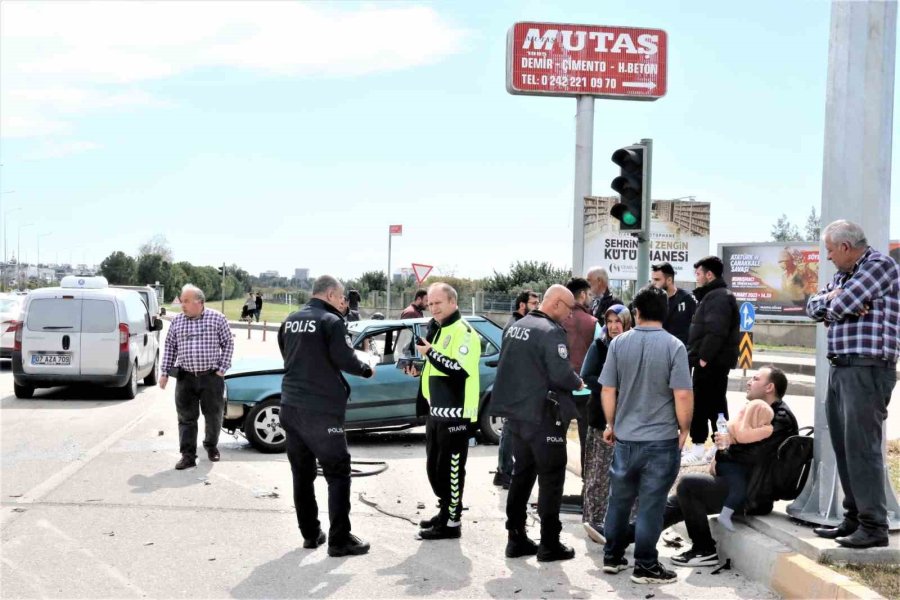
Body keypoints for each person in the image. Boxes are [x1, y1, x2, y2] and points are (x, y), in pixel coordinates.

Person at [806, 220, 899, 549]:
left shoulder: (879, 265)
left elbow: (839, 305)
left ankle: (874, 525)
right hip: (841, 367)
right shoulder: (844, 275)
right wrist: (835, 299)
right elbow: (812, 307)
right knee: (845, 448)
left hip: (867, 368)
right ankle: (854, 518)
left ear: (845, 247)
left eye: (830, 250)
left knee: (863, 449)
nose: (828, 257)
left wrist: (835, 302)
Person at [653, 366, 797, 567]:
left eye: (755, 378)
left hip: (751, 494)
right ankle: (620, 535)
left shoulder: (780, 418)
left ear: (769, 387)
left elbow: (752, 455)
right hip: (738, 483)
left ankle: (704, 549)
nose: (749, 382)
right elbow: (735, 450)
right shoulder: (759, 413)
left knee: (688, 484)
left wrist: (727, 447)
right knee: (675, 502)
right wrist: (726, 447)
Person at [600, 286, 693, 584]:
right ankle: (646, 566)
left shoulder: (618, 344)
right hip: (661, 440)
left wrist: (611, 424)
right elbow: (681, 394)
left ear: (636, 312)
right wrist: (685, 429)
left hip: (626, 439)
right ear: (665, 312)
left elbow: (608, 389)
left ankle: (613, 557)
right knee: (652, 504)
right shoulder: (675, 346)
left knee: (619, 500)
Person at [277, 275, 375, 557]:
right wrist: (367, 369)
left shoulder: (291, 319)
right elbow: (345, 359)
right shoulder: (331, 322)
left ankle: (310, 534)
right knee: (338, 472)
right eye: (341, 297)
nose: (343, 302)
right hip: (320, 410)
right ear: (331, 294)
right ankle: (339, 540)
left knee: (302, 474)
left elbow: (288, 354)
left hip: (290, 406)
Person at [490, 285, 585, 562]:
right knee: (551, 479)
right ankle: (549, 543)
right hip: (543, 417)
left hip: (516, 416)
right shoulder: (550, 331)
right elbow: (560, 373)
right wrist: (577, 381)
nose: (569, 316)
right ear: (556, 303)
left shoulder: (516, 327)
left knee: (522, 476)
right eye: (568, 309)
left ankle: (515, 537)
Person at [404, 282, 481, 540]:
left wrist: (430, 353)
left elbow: (458, 369)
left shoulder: (464, 332)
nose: (433, 307)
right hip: (436, 411)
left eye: (438, 303)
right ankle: (444, 512)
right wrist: (419, 367)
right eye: (430, 303)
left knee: (451, 470)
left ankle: (452, 522)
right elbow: (435, 366)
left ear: (452, 303)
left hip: (456, 413)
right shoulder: (437, 329)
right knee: (435, 469)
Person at [160, 284, 234, 470]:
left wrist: (222, 368)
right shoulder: (177, 321)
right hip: (186, 378)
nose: (182, 305)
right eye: (182, 301)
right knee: (186, 418)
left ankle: (211, 446)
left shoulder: (217, 318)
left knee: (213, 415)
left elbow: (228, 343)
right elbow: (170, 347)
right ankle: (187, 455)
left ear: (199, 302)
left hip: (211, 377)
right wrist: (164, 373)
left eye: (186, 301)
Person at [579, 303, 633, 544]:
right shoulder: (599, 345)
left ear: (627, 322)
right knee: (598, 476)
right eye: (609, 321)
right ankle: (594, 522)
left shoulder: (634, 344)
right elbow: (587, 375)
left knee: (626, 477)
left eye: (617, 321)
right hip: (601, 420)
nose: (612, 326)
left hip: (629, 423)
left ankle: (625, 527)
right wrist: (611, 386)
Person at [683, 256, 740, 466]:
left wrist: (704, 358)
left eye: (698, 274)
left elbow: (716, 330)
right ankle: (717, 445)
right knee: (714, 403)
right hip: (712, 361)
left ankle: (700, 447)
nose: (696, 278)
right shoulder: (714, 296)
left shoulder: (718, 297)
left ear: (709, 274)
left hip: (710, 362)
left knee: (704, 403)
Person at [494, 289, 540, 489]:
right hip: (515, 387)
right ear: (522, 305)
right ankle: (505, 472)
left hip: (514, 386)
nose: (537, 307)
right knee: (510, 432)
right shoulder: (516, 326)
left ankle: (503, 472)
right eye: (533, 303)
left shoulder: (516, 324)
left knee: (510, 431)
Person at [561, 277, 599, 511]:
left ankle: (554, 486)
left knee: (555, 440)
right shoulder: (593, 322)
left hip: (561, 388)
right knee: (588, 442)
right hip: (585, 391)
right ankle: (587, 489)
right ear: (583, 295)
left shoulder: (558, 320)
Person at [710, 399, 775, 531]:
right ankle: (725, 515)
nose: (766, 424)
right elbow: (746, 436)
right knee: (739, 488)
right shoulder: (743, 428)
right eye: (764, 421)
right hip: (726, 465)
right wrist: (767, 429)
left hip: (726, 462)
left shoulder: (735, 423)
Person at [650, 262, 697, 346]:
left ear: (669, 280)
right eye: (652, 279)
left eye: (657, 280)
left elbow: (696, 328)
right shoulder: (651, 300)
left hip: (681, 350)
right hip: (657, 349)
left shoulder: (687, 299)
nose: (653, 283)